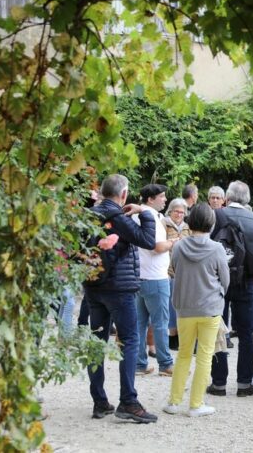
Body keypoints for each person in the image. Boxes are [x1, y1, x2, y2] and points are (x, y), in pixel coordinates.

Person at [84, 174, 158, 424]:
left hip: (93, 287)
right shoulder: (118, 218)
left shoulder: (89, 215)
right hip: (120, 289)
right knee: (129, 340)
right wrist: (145, 212)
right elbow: (148, 241)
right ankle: (128, 401)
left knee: (97, 342)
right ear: (124, 194)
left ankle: (100, 401)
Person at [206, 181, 253, 398]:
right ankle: (244, 384)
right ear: (248, 198)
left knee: (217, 331)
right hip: (246, 281)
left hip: (217, 282)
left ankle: (218, 383)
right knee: (246, 334)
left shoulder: (216, 215)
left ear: (227, 197)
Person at [163, 203, 229, 417]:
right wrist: (217, 292)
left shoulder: (180, 246)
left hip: (184, 308)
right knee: (205, 356)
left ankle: (173, 402)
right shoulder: (217, 248)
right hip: (209, 308)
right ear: (211, 223)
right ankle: (196, 404)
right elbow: (225, 280)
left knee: (183, 354)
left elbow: (172, 270)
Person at [128, 184, 177, 376]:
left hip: (138, 274)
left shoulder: (134, 215)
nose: (165, 200)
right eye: (162, 197)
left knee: (139, 322)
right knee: (160, 322)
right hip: (156, 276)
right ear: (150, 199)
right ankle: (165, 363)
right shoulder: (152, 218)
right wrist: (174, 242)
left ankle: (140, 364)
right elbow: (157, 247)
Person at [164, 198, 191, 350]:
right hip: (168, 270)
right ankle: (172, 335)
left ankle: (181, 335)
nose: (179, 215)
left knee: (181, 304)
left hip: (184, 271)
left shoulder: (188, 228)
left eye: (182, 212)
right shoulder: (164, 224)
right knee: (170, 304)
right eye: (176, 211)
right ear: (170, 211)